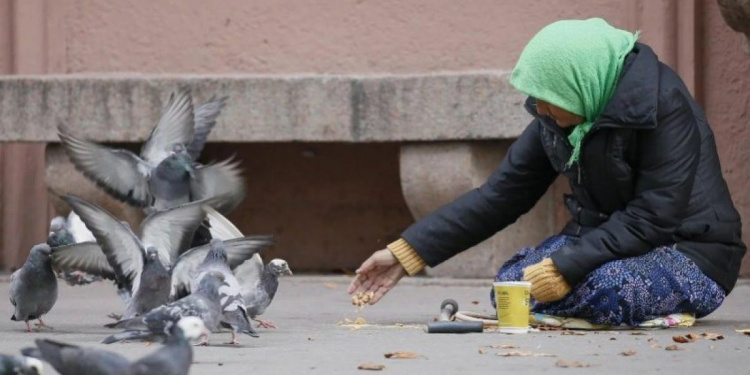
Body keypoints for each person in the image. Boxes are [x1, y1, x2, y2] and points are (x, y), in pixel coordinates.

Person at [347, 18, 746, 326]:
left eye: (548, 97)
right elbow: (501, 195)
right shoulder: (559, 118)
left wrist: (566, 267)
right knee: (513, 286)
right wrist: (407, 252)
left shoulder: (665, 107)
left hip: (689, 253)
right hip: (607, 246)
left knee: (605, 290)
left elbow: (654, 216)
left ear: (580, 84)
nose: (539, 108)